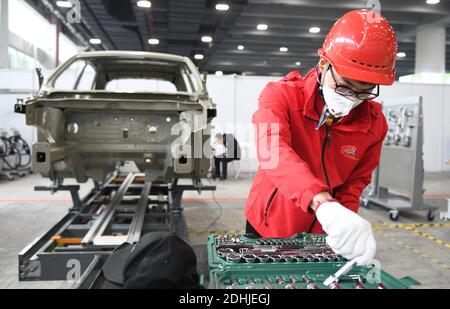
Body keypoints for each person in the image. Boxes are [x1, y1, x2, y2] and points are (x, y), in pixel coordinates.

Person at [244, 9, 397, 266]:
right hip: (268, 225)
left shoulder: (374, 124)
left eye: (364, 91)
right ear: (324, 65)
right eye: (345, 86)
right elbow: (273, 152)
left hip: (323, 235)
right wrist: (322, 202)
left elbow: (355, 182)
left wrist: (346, 221)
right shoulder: (280, 96)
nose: (351, 99)